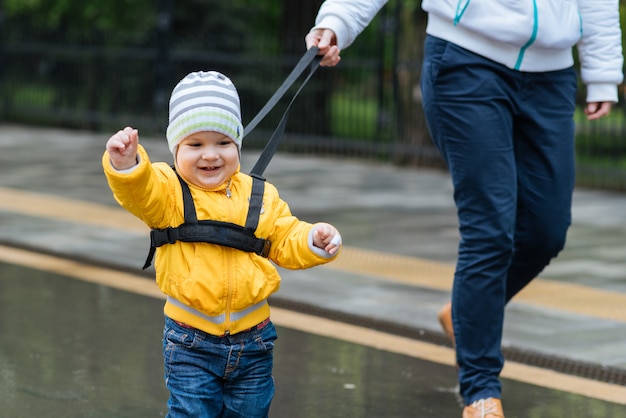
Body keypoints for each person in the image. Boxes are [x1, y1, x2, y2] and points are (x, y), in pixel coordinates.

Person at [305, 1, 623, 417]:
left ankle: (464, 314)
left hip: (552, 75)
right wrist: (338, 22)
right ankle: (480, 391)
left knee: (547, 231)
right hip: (466, 62)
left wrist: (602, 73)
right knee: (490, 231)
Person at [102, 70, 342, 417]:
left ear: (238, 144)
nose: (210, 155)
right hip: (190, 340)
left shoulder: (260, 195)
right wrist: (127, 165)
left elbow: (284, 237)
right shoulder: (169, 191)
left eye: (223, 143)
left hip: (255, 340)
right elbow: (140, 190)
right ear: (176, 147)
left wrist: (312, 239)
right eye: (195, 145)